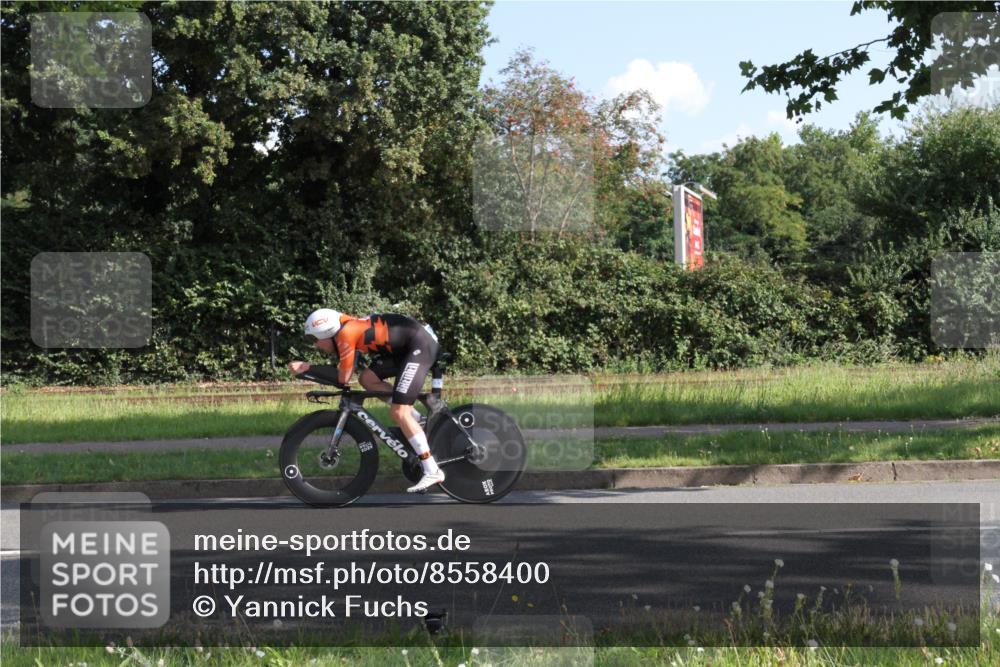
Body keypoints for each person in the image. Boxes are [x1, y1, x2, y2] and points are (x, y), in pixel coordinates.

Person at [288, 308, 445, 493]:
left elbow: (343, 378)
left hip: (420, 346)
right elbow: (346, 374)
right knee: (367, 379)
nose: (315, 345)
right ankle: (418, 421)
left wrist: (308, 368)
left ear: (327, 333)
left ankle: (431, 469)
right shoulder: (347, 330)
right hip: (407, 347)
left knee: (399, 412)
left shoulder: (346, 334)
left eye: (313, 339)